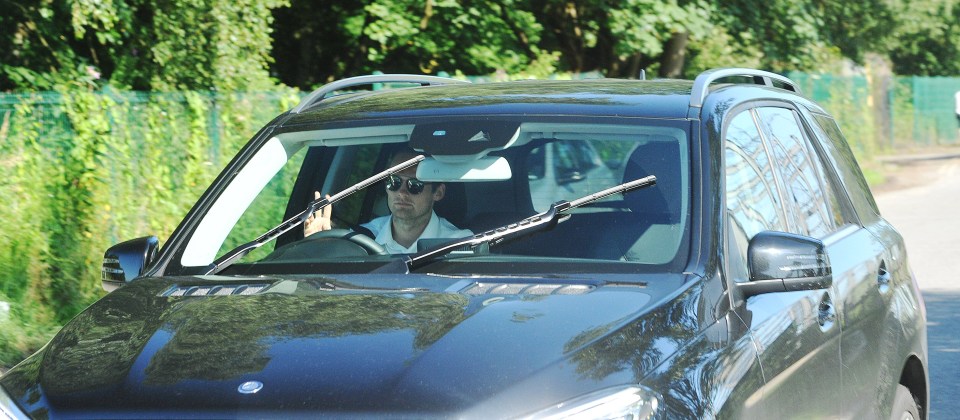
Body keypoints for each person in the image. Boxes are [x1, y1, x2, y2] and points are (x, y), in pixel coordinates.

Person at [304, 150, 473, 254]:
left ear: (438, 192)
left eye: (415, 185)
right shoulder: (358, 239)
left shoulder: (459, 244)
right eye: (394, 181)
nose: (401, 192)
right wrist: (321, 248)